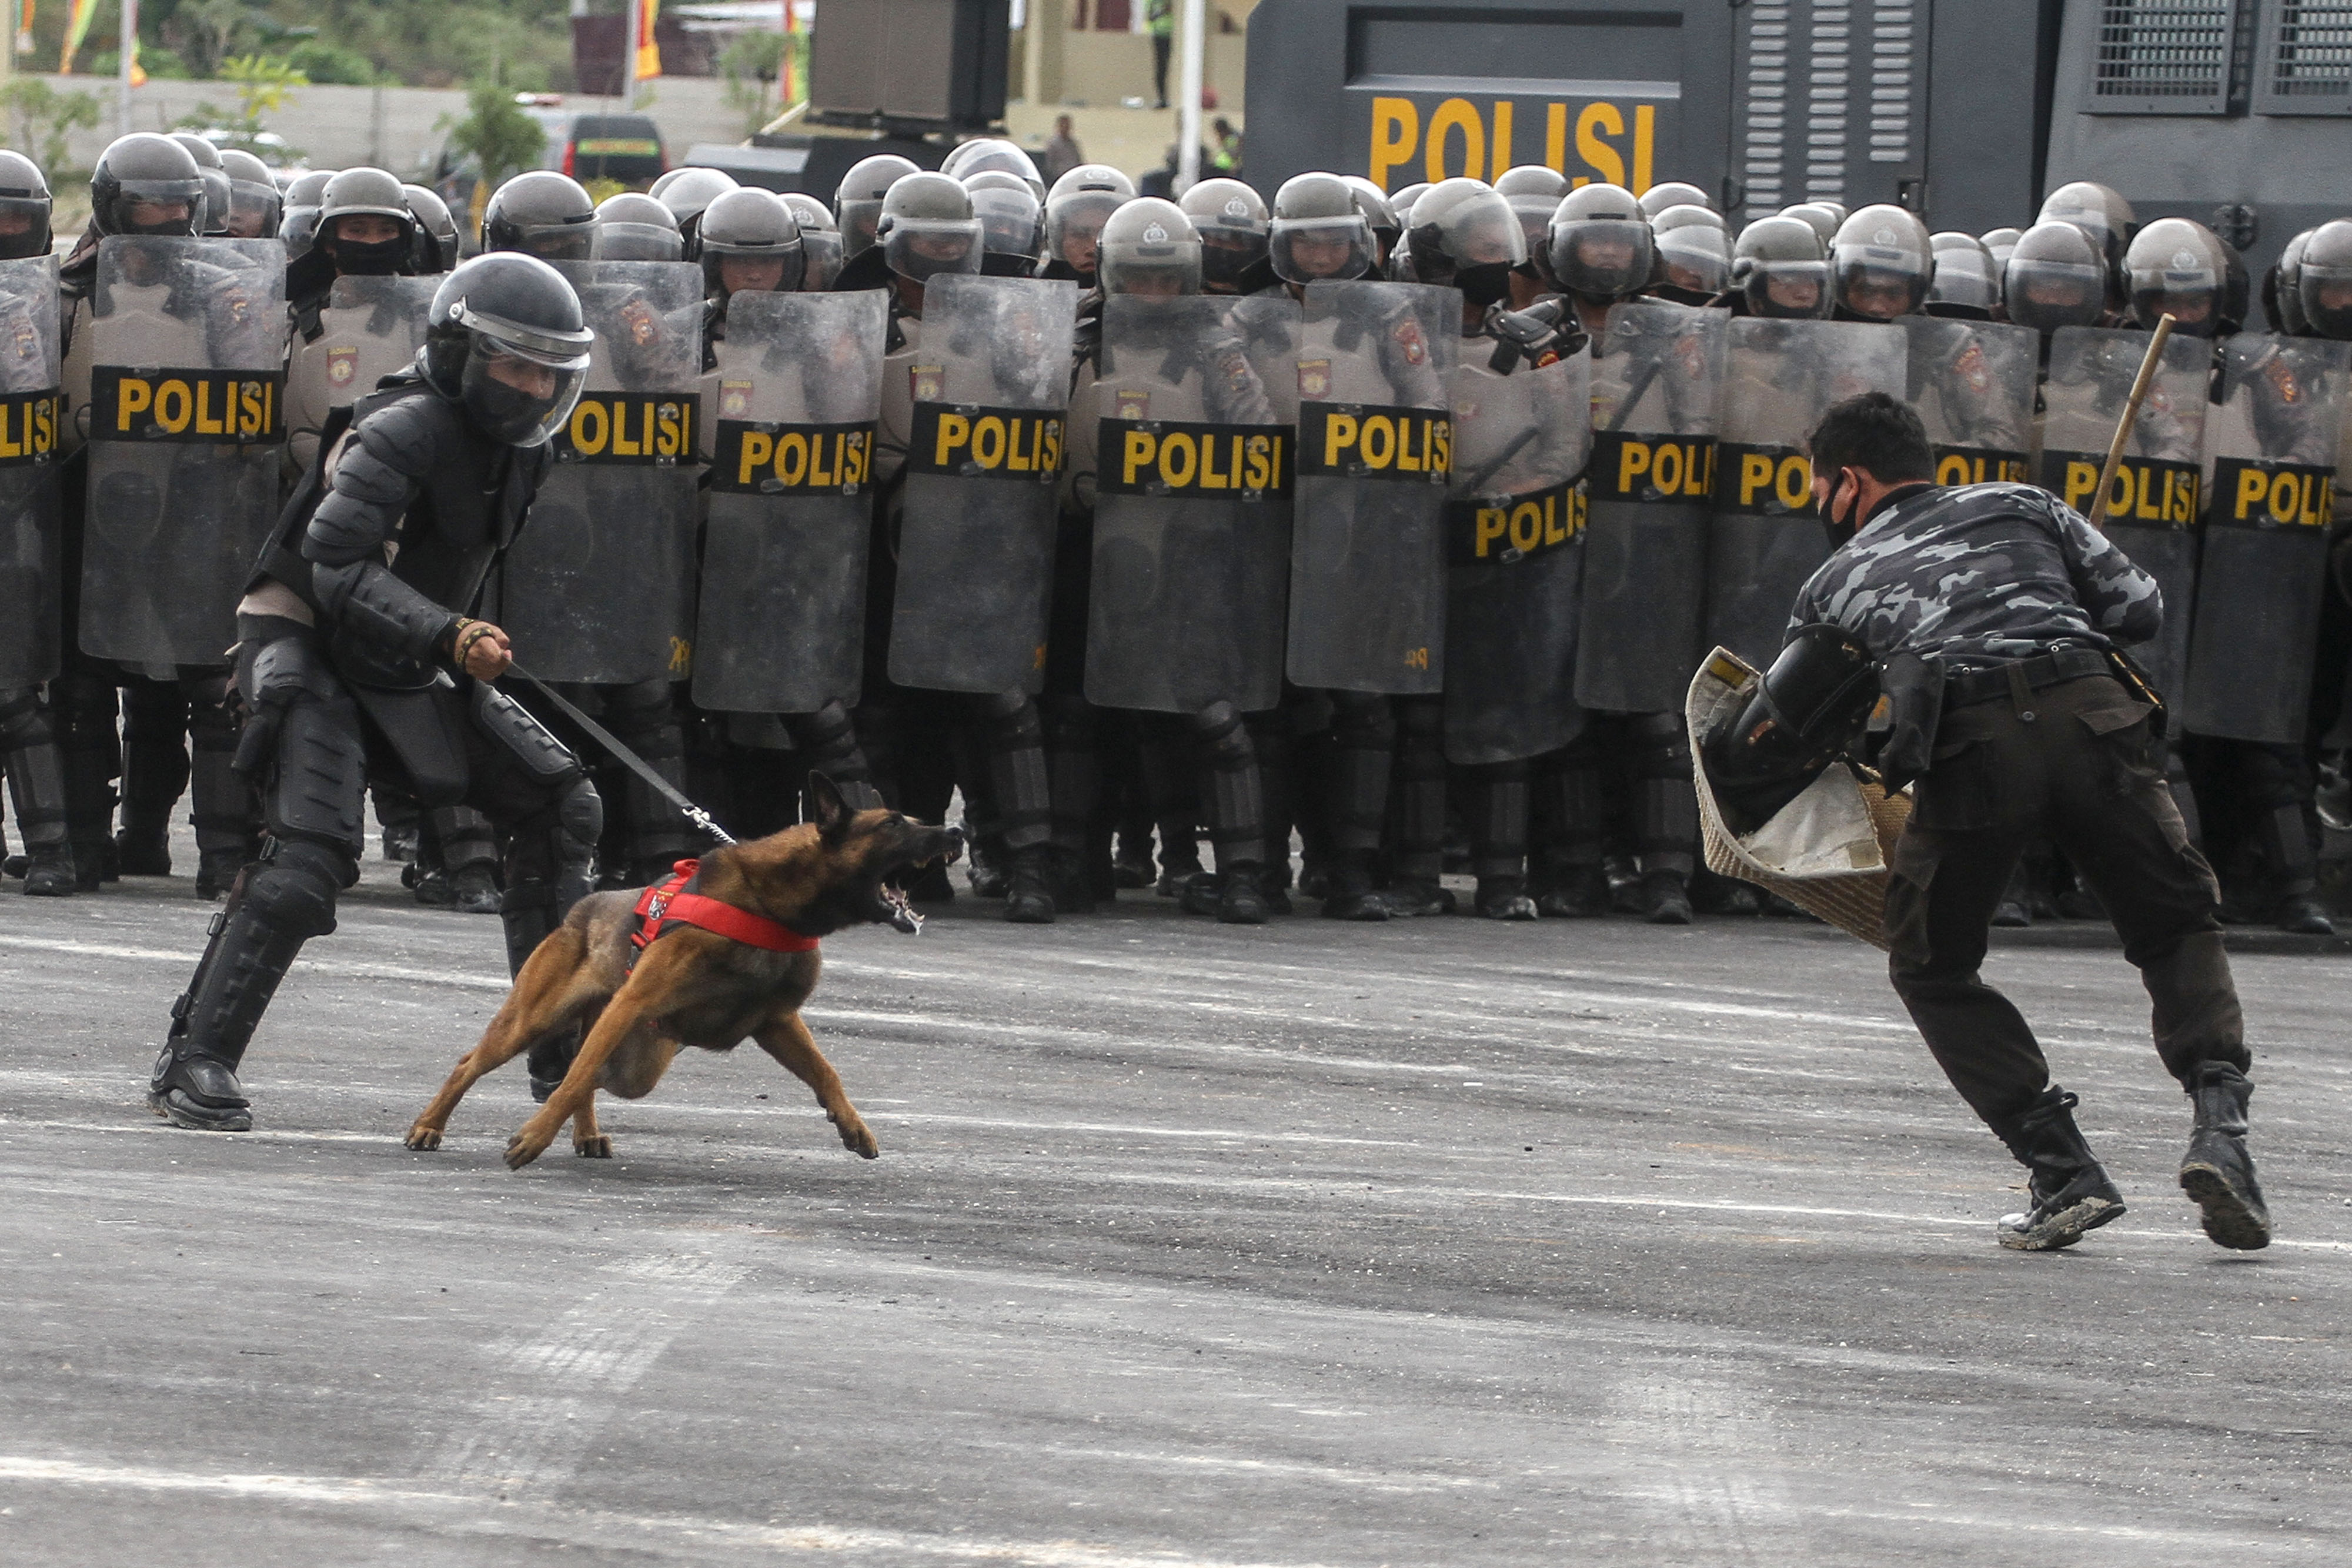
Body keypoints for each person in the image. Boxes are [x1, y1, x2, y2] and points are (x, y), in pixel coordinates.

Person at [1786, 390, 2269, 1254]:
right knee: (2175, 925)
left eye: (1820, 488)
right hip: (2096, 720)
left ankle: (2063, 1170)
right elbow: (2140, 612)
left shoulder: (1834, 581)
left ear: (1849, 482)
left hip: (1971, 750)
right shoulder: (2022, 502)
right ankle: (2222, 1130)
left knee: (1933, 966)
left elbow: (1797, 721)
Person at [146, 252, 602, 1134]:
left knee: (560, 801)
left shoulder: (527, 451)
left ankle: (559, 1050)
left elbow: (452, 567)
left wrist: (452, 636)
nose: (535, 386)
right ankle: (193, 1055)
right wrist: (450, 632)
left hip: (408, 656)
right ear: (460, 351)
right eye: (515, 363)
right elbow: (335, 563)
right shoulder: (399, 427)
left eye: (551, 368)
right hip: (311, 641)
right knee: (308, 860)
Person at [1147, 0, 1175, 110]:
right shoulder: (1152, 2)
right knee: (1161, 68)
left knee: (1168, 67)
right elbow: (1150, 17)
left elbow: (1172, 8)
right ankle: (1162, 98)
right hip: (1159, 35)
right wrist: (1159, 12)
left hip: (1171, 35)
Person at [1041, 115, 1085, 185]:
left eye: (1068, 126)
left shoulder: (1073, 144)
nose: (1066, 128)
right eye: (1063, 125)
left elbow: (1079, 161)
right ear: (1059, 126)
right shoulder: (1053, 144)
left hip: (1075, 177)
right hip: (1060, 178)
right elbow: (1050, 165)